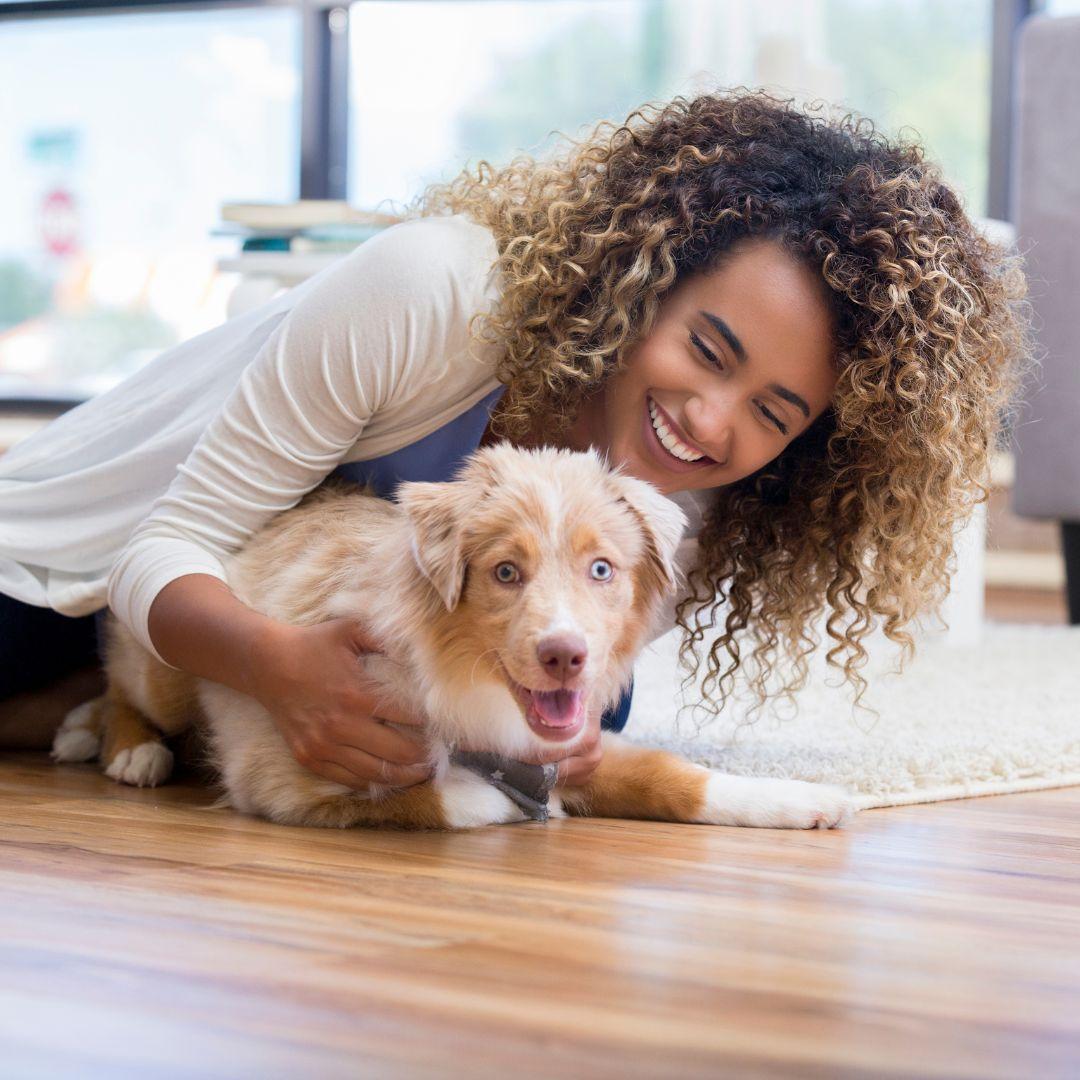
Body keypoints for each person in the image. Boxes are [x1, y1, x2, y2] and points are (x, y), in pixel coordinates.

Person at [0, 89, 1030, 790]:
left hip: (252, 610)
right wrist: (277, 668)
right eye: (709, 349)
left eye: (773, 413)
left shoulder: (685, 515)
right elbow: (160, 545)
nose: (712, 422)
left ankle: (106, 713)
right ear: (646, 281)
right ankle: (94, 697)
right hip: (68, 559)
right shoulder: (433, 294)